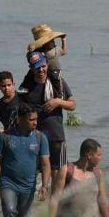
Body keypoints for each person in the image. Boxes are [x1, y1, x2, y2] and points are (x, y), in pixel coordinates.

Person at [0, 104, 51, 217]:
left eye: (36, 119)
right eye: (31, 120)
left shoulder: (40, 138)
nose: (35, 123)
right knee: (10, 211)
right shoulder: (5, 137)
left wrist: (45, 185)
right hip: (8, 183)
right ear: (20, 119)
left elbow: (45, 164)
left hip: (28, 186)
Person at [19, 50, 76, 179]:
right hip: (34, 136)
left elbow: (72, 105)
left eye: (43, 66)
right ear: (31, 68)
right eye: (37, 67)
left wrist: (58, 102)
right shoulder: (26, 86)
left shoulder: (58, 82)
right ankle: (35, 198)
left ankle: (55, 199)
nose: (41, 70)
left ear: (47, 64)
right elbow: (19, 111)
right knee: (33, 171)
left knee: (58, 171)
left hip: (56, 135)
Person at [21, 23, 68, 99]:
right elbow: (30, 58)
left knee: (57, 80)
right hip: (42, 69)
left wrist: (64, 41)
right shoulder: (38, 51)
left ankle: (60, 95)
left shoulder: (56, 49)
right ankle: (23, 87)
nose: (53, 42)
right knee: (29, 74)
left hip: (54, 69)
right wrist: (30, 52)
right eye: (51, 40)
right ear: (44, 43)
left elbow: (64, 52)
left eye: (53, 40)